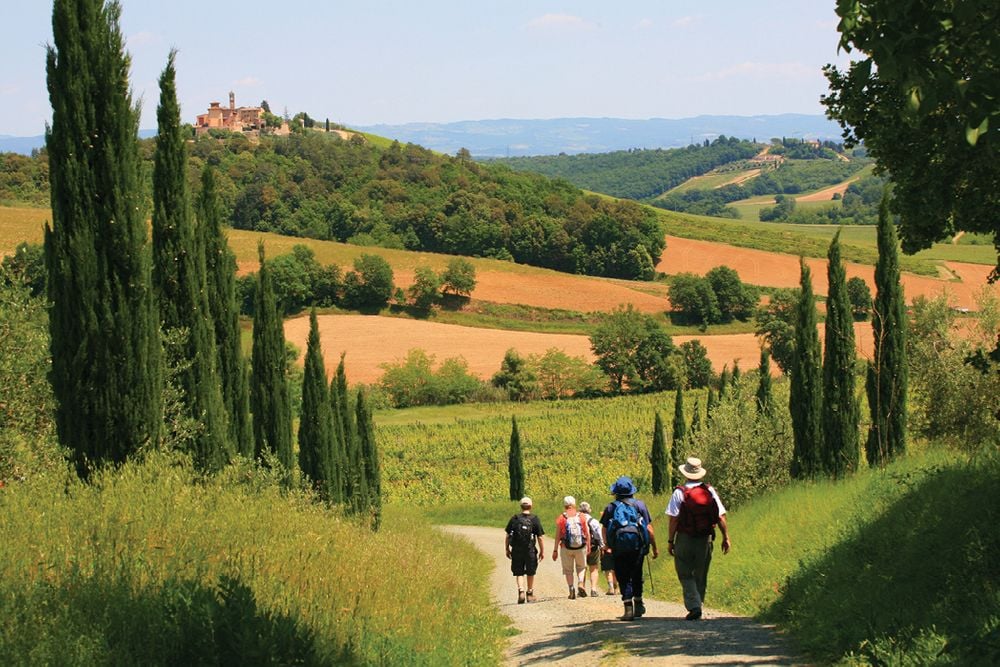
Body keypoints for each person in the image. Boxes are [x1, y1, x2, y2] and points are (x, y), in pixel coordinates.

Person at [665, 457, 731, 621]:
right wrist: (726, 537)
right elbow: (720, 516)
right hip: (705, 539)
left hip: (685, 538)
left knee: (685, 572)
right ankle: (698, 602)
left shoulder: (679, 492)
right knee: (701, 572)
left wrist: (670, 540)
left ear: (685, 473)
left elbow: (674, 519)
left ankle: (694, 606)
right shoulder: (709, 491)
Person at [600, 476, 658, 620]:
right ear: (631, 491)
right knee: (636, 573)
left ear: (616, 493)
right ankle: (638, 604)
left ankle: (628, 610)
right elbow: (649, 529)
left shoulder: (611, 507)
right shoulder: (640, 505)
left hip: (618, 548)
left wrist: (607, 545)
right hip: (637, 547)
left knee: (623, 576)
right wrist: (654, 547)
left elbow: (604, 529)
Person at [505, 496, 545, 604]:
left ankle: (521, 590)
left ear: (521, 506)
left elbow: (508, 535)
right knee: (530, 571)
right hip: (530, 550)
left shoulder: (515, 518)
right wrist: (542, 551)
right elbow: (540, 537)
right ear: (531, 506)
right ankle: (530, 593)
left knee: (519, 572)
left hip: (517, 550)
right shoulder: (535, 519)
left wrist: (507, 549)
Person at [552, 495, 590, 599]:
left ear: (564, 505)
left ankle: (571, 588)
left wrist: (555, 550)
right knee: (581, 567)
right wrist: (588, 546)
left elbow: (557, 536)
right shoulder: (581, 516)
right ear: (574, 504)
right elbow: (587, 532)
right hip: (580, 546)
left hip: (566, 547)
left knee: (568, 570)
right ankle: (581, 583)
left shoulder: (562, 518)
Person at [577, 502, 603, 597]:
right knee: (594, 568)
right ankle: (593, 589)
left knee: (581, 567)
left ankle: (582, 586)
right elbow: (598, 535)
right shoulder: (594, 521)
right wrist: (602, 546)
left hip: (579, 547)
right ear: (589, 510)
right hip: (593, 547)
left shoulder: (576, 520)